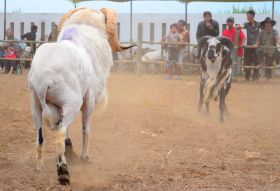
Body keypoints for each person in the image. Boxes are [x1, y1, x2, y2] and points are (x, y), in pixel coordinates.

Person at [238, 10, 261, 81]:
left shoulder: (259, 24)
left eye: (248, 15)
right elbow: (242, 26)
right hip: (248, 46)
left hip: (256, 46)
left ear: (252, 16)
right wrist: (237, 26)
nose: (247, 17)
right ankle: (247, 77)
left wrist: (258, 43)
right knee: (247, 61)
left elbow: (264, 31)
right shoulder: (246, 24)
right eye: (247, 16)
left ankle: (255, 77)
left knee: (256, 61)